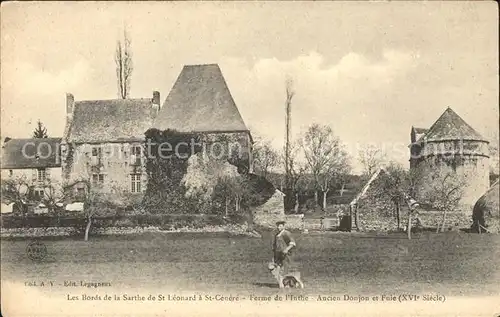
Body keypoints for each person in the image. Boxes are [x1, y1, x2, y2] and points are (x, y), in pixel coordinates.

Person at [272, 221, 300, 288]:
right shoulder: (277, 235)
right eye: (278, 226)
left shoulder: (286, 233)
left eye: (281, 226)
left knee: (286, 268)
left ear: (284, 226)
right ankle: (283, 283)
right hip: (278, 254)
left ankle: (292, 283)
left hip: (286, 254)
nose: (279, 227)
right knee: (278, 268)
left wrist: (286, 249)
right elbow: (275, 245)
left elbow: (292, 243)